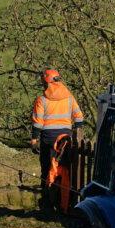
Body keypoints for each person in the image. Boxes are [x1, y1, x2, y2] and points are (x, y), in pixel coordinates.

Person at [29, 68, 84, 211]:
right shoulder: (70, 98)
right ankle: (64, 202)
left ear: (46, 83)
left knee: (47, 169)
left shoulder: (41, 100)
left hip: (48, 140)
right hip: (65, 139)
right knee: (65, 170)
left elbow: (37, 123)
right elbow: (79, 119)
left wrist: (34, 140)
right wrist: (74, 133)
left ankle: (47, 203)